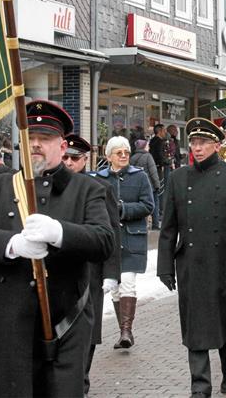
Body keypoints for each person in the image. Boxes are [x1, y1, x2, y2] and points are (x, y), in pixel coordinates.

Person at [0, 101, 115, 398]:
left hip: (61, 322)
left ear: (62, 145)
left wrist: (59, 233)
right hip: (4, 320)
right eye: (29, 137)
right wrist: (12, 244)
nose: (35, 145)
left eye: (44, 138)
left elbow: (103, 241)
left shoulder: (88, 190)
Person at [157, 117, 226, 397]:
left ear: (217, 145)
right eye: (193, 142)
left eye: (203, 142)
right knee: (195, 325)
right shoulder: (178, 178)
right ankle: (200, 386)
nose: (197, 147)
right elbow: (168, 227)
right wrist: (164, 267)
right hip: (191, 262)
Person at [62, 133, 122, 396]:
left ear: (85, 160)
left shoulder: (98, 189)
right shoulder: (47, 185)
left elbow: (112, 233)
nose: (68, 163)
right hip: (59, 272)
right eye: (64, 157)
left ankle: (81, 383)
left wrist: (111, 273)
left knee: (87, 330)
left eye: (74, 158)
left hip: (90, 272)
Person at [95, 136, 153, 349]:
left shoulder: (140, 177)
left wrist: (123, 209)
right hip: (109, 239)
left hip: (131, 237)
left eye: (126, 153)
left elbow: (148, 205)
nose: (123, 156)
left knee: (127, 282)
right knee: (115, 287)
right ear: (109, 156)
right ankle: (123, 332)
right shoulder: (98, 178)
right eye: (118, 153)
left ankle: (126, 331)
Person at [131, 139, 161, 230]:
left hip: (136, 186)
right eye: (148, 145)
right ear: (144, 147)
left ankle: (141, 224)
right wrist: (157, 185)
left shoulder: (132, 157)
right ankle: (155, 224)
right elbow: (153, 172)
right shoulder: (148, 156)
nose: (149, 147)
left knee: (140, 205)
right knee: (154, 204)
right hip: (149, 186)